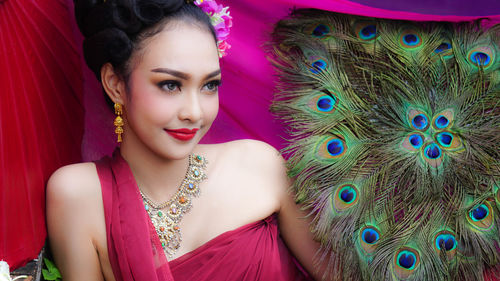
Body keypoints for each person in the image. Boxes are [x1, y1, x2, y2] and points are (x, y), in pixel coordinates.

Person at [46, 0, 324, 280]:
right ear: (115, 84)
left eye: (209, 85)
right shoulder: (77, 194)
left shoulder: (260, 165)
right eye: (170, 85)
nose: (194, 112)